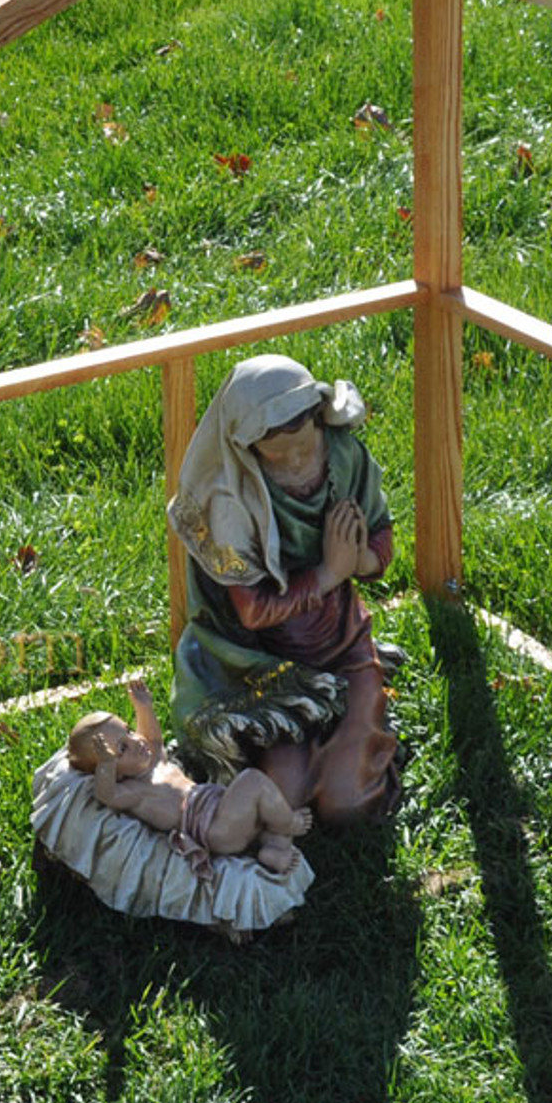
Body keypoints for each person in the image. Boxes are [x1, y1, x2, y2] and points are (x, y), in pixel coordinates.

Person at [167, 353, 403, 825]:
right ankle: (302, 747)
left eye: (305, 447)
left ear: (320, 420)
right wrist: (328, 574)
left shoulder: (344, 457)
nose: (298, 465)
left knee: (347, 802)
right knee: (281, 796)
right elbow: (253, 611)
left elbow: (380, 534)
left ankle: (365, 734)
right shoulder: (230, 502)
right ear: (249, 451)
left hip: (341, 648)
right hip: (261, 670)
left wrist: (360, 559)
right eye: (280, 457)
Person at [66, 681, 312, 877]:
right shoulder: (134, 791)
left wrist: (144, 708)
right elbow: (106, 794)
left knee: (262, 816)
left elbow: (153, 739)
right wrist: (106, 766)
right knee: (253, 781)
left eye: (129, 731)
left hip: (221, 810)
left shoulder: (153, 762)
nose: (136, 741)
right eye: (122, 749)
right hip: (214, 828)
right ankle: (288, 824)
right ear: (115, 772)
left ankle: (273, 850)